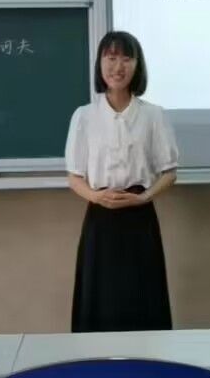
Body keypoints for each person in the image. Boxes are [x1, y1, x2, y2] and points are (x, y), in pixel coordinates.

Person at [64, 30, 178, 332]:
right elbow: (74, 176)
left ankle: (148, 359)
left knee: (143, 296)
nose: (118, 67)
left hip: (139, 216)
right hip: (100, 217)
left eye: (127, 59)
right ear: (100, 64)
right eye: (111, 58)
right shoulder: (84, 116)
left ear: (137, 66)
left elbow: (169, 173)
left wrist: (143, 198)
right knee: (100, 299)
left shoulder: (153, 115)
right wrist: (96, 196)